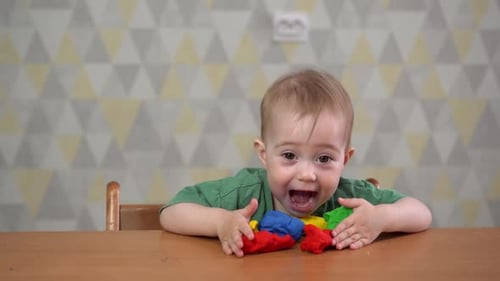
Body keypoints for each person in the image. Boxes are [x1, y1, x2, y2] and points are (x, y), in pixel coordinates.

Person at [159, 68, 432, 257]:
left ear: (345, 159)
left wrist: (382, 218)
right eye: (289, 156)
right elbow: (172, 211)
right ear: (264, 155)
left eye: (324, 158)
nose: (307, 174)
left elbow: (421, 213)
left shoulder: (349, 197)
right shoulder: (244, 193)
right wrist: (219, 222)